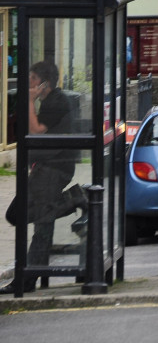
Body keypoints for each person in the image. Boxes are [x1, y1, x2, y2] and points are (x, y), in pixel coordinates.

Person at [1, 61, 86, 294]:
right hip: (46, 168)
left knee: (42, 226)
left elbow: (36, 130)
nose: (29, 82)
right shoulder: (50, 101)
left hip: (53, 169)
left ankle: (26, 280)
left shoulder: (57, 102)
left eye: (32, 78)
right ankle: (72, 198)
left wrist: (29, 100)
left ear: (44, 82)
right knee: (17, 214)